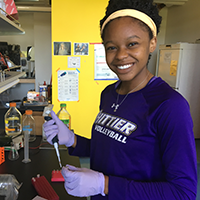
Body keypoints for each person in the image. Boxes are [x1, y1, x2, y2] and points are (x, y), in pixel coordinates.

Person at [43, 0, 197, 199]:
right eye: (111, 47)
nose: (121, 55)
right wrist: (73, 140)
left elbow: (183, 193)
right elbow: (112, 151)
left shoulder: (170, 106)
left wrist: (104, 185)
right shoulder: (109, 93)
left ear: (152, 43)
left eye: (132, 44)